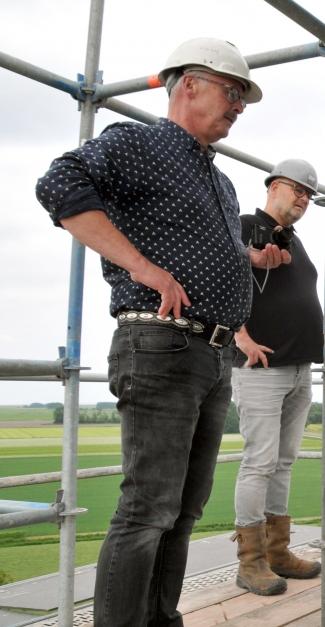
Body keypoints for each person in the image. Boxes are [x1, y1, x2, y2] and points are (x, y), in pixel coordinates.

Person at [35, 38, 288, 627]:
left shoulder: (220, 182)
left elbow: (195, 247)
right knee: (148, 510)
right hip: (162, 346)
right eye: (233, 92)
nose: (239, 107)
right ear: (189, 84)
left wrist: (245, 265)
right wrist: (141, 267)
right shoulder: (138, 141)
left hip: (210, 356)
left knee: (182, 512)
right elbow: (59, 186)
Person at [231, 159, 324, 595]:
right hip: (262, 369)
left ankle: (277, 553)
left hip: (298, 369)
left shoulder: (295, 241)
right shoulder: (246, 226)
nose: (304, 197)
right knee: (260, 463)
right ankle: (250, 563)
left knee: (283, 463)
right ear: (273, 187)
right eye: (297, 188)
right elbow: (218, 277)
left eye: (309, 193)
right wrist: (239, 335)